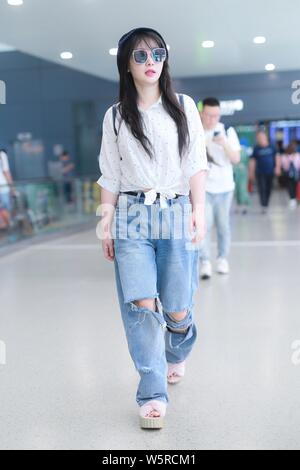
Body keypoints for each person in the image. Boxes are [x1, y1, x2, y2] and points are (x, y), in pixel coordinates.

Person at [97, 27, 208, 429]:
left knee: (177, 307)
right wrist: (106, 224)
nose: (150, 63)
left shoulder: (184, 106)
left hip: (176, 211)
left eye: (157, 54)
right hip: (131, 216)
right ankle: (152, 392)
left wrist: (199, 211)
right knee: (141, 306)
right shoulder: (115, 116)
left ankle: (176, 350)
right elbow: (109, 175)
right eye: (140, 56)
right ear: (126, 65)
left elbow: (196, 162)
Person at [199, 98, 241, 280]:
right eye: (208, 115)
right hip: (204, 188)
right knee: (204, 225)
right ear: (202, 113)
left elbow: (236, 159)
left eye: (215, 115)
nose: (212, 119)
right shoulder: (195, 131)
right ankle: (205, 261)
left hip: (225, 189)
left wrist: (223, 143)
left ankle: (222, 258)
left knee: (223, 225)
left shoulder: (228, 130)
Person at [249, 131, 281, 214]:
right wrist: (251, 173)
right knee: (262, 188)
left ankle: (266, 204)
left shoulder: (272, 146)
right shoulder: (256, 148)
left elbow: (277, 157)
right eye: (259, 138)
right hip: (260, 172)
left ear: (265, 137)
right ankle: (263, 205)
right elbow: (253, 161)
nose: (260, 139)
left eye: (262, 137)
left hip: (270, 171)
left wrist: (277, 167)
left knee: (268, 188)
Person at [280, 142, 300, 209]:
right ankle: (292, 199)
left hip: (296, 174)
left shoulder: (297, 155)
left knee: (295, 186)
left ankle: (295, 198)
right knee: (289, 187)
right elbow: (283, 165)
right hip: (287, 174)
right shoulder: (284, 156)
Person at [233, 146, 251, 214]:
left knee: (243, 189)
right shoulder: (234, 151)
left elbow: (248, 163)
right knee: (237, 190)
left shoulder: (244, 153)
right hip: (236, 173)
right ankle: (238, 206)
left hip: (242, 173)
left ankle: (244, 206)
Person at [0, 149, 14, 225]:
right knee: (6, 209)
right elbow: (6, 172)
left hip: (3, 187)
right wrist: (12, 188)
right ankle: (10, 227)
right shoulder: (2, 155)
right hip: (3, 187)